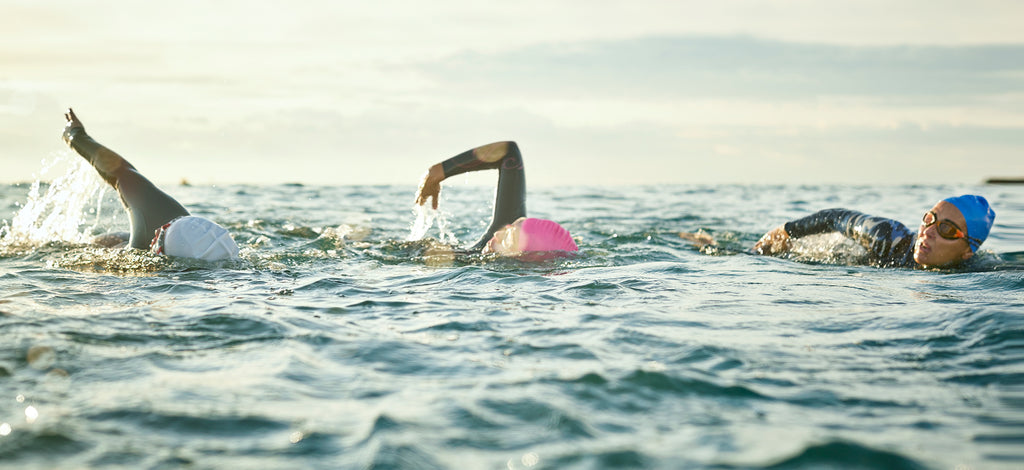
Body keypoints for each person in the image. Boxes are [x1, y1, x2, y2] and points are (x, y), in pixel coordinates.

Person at [62, 108, 239, 261]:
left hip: (128, 254)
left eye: (160, 236)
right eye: (164, 229)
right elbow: (121, 172)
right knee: (102, 242)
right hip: (122, 241)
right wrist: (76, 136)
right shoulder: (169, 217)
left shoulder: (139, 262)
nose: (156, 233)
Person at [414, 141, 578, 256]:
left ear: (526, 257)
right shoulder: (496, 244)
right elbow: (509, 152)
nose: (499, 233)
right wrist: (439, 171)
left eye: (510, 238)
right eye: (510, 227)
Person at [753, 195, 995, 269]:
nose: (928, 232)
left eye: (946, 229)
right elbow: (835, 217)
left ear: (967, 252)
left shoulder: (975, 272)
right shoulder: (889, 237)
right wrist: (784, 232)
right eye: (929, 219)